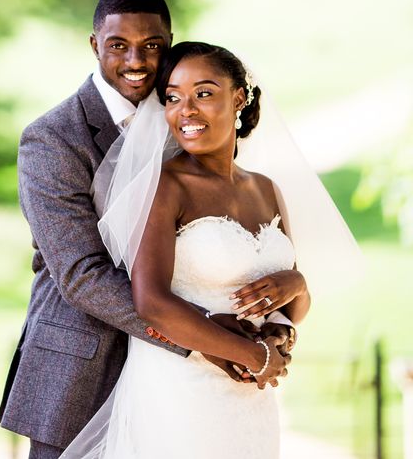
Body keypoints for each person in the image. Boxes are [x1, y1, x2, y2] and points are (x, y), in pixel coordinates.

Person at [0, 0, 293, 458]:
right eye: (118, 46)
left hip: (189, 386)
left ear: (169, 43)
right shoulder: (52, 139)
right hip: (82, 370)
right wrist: (201, 340)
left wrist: (284, 298)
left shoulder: (186, 120)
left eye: (152, 46)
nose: (136, 61)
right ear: (95, 45)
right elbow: (81, 275)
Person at [60, 41, 359, 458]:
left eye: (203, 93)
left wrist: (294, 291)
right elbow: (151, 302)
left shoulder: (265, 189)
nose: (186, 111)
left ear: (238, 97)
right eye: (172, 98)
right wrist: (253, 354)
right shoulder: (164, 187)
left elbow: (288, 307)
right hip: (182, 387)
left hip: (252, 394)